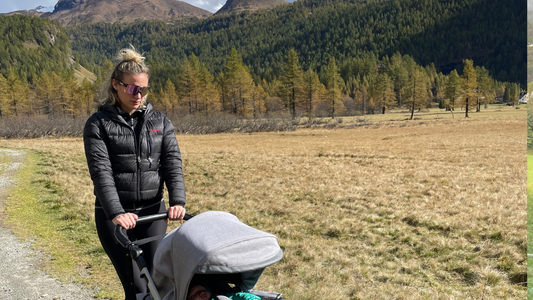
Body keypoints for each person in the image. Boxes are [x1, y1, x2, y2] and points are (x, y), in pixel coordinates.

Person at [83, 46, 186, 300]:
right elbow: (101, 172)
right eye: (132, 88)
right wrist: (117, 213)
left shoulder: (160, 121)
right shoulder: (98, 124)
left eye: (143, 89)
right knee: (137, 289)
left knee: (158, 283)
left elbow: (172, 162)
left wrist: (177, 201)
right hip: (115, 218)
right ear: (116, 85)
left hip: (153, 212)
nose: (138, 95)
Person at [187, 281, 261, 300]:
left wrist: (251, 299)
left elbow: (238, 295)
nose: (202, 292)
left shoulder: (218, 296)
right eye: (195, 293)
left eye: (203, 289)